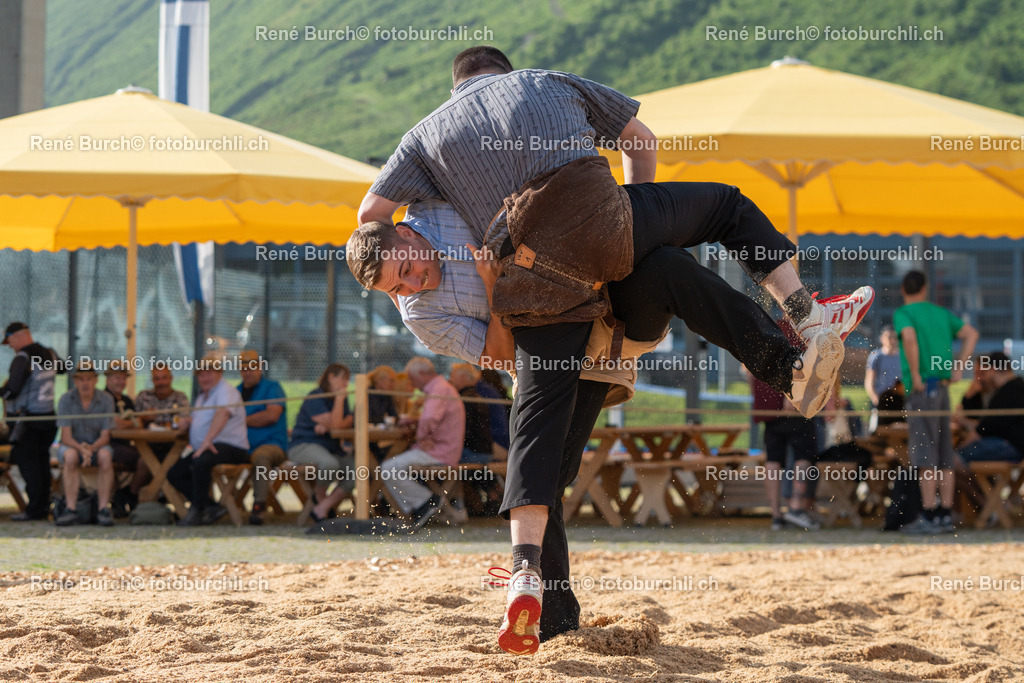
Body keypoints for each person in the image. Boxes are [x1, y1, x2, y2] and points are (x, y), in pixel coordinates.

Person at [351, 46, 873, 655]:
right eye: (397, 286)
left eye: (407, 268)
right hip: (555, 312)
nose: (411, 284)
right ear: (506, 74)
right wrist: (614, 237)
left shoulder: (432, 172)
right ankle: (555, 608)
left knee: (539, 449)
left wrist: (619, 254)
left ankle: (523, 569)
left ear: (409, 231)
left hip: (561, 315)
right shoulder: (542, 88)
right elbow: (639, 140)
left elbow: (369, 212)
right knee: (556, 463)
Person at [894, 270, 978, 534]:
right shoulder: (940, 313)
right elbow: (972, 334)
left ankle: (929, 514)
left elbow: (908, 337)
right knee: (944, 454)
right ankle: (944, 515)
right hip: (942, 388)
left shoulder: (903, 314)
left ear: (902, 289)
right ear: (925, 289)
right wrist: (958, 369)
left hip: (923, 389)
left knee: (925, 454)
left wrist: (916, 373)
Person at [379, 357, 465, 528]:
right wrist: (415, 422)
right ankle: (423, 504)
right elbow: (432, 418)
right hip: (446, 449)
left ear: (423, 374)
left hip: (440, 452)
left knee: (388, 468)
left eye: (412, 378)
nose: (412, 383)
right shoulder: (442, 387)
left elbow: (430, 418)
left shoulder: (438, 388)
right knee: (392, 466)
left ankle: (426, 503)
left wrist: (421, 437)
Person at [168, 353, 250, 526]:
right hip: (209, 446)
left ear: (219, 373)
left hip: (232, 447)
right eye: (202, 374)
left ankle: (198, 511)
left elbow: (222, 414)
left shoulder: (226, 391)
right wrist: (189, 422)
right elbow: (203, 418)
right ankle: (211, 507)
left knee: (201, 461)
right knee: (174, 473)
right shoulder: (203, 396)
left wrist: (207, 441)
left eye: (209, 373)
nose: (205, 378)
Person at [1, 322, 62, 521]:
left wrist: (2, 391)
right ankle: (43, 506)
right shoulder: (50, 353)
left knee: (29, 464)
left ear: (18, 336)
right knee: (42, 462)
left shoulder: (23, 357)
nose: (10, 345)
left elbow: (13, 389)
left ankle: (35, 509)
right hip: (48, 419)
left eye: (9, 341)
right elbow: (62, 368)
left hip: (26, 421)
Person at [289, 363, 354, 522]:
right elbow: (339, 424)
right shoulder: (316, 396)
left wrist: (332, 422)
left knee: (358, 470)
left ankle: (323, 506)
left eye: (347, 380)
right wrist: (339, 403)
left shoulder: (341, 400)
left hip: (329, 447)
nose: (346, 384)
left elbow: (347, 421)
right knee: (329, 464)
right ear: (331, 377)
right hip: (304, 445)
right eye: (343, 379)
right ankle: (319, 496)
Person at [54, 361, 116, 526]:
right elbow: (65, 436)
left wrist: (91, 449)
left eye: (89, 379)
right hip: (73, 445)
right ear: (75, 381)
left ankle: (103, 508)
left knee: (105, 455)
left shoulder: (106, 400)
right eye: (81, 379)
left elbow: (105, 436)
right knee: (70, 456)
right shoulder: (66, 399)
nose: (85, 383)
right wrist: (82, 449)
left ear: (95, 380)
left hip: (97, 445)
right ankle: (70, 508)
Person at [236, 350, 288, 525]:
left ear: (259, 368)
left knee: (261, 456)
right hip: (242, 447)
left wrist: (241, 420)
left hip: (272, 445)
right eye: (243, 368)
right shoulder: (234, 392)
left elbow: (271, 416)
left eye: (252, 367)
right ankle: (214, 505)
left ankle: (259, 507)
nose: (248, 372)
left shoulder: (273, 388)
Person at [130, 363, 190, 501]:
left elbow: (183, 420)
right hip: (146, 446)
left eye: (164, 378)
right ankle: (132, 498)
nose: (161, 382)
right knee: (144, 463)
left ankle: (173, 501)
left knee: (176, 466)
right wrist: (143, 417)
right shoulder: (143, 396)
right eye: (157, 378)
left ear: (171, 378)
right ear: (152, 380)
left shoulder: (179, 397)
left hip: (173, 446)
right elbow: (132, 421)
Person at [956, 351, 1024, 463]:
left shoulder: (1009, 392)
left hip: (1010, 446)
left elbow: (984, 429)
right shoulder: (1014, 388)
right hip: (1011, 446)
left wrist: (960, 448)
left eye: (984, 372)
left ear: (992, 370)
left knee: (952, 460)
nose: (981, 378)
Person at [104, 360, 140, 517]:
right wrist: (130, 423)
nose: (121, 382)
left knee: (148, 459)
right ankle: (124, 495)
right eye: (117, 378)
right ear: (108, 379)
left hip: (126, 445)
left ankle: (127, 493)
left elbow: (138, 423)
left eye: (123, 378)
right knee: (141, 458)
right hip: (107, 444)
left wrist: (126, 423)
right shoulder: (103, 399)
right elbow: (112, 423)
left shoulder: (127, 401)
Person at [864, 325, 902, 431]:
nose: (891, 340)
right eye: (888, 337)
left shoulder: (902, 357)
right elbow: (869, 380)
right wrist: (876, 399)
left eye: (894, 337)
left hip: (898, 402)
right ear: (882, 338)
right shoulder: (876, 356)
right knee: (877, 431)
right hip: (881, 400)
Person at [367, 365, 400, 464]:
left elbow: (394, 416)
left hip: (378, 439)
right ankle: (380, 477)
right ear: (379, 381)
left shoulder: (387, 395)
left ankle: (381, 476)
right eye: (391, 380)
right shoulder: (367, 395)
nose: (393, 384)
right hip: (368, 441)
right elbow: (367, 419)